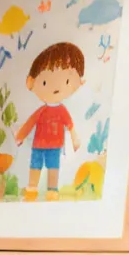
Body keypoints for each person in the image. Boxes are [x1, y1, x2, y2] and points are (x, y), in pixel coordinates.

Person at [13, 42, 85, 201]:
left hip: (55, 146)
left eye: (67, 81)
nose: (56, 88)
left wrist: (75, 139)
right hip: (38, 145)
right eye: (44, 82)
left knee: (53, 168)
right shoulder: (42, 111)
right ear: (31, 83)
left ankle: (52, 191)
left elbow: (70, 126)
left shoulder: (62, 111)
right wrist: (20, 136)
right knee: (35, 166)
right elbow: (29, 124)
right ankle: (32, 189)